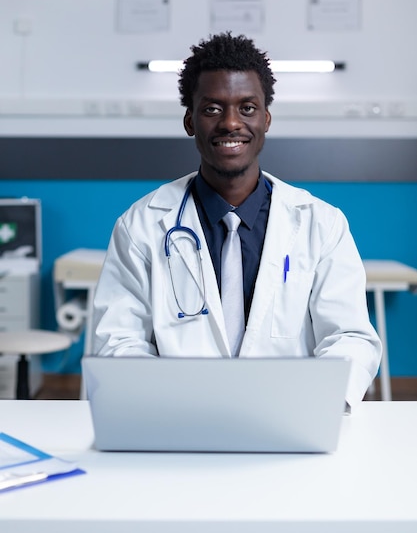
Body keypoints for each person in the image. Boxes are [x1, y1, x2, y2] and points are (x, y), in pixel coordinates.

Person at [93, 32, 382, 408]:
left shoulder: (321, 224)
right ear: (190, 120)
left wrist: (318, 404)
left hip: (289, 419)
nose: (231, 123)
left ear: (266, 118)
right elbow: (119, 341)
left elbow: (350, 336)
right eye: (212, 108)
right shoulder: (142, 226)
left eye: (247, 107)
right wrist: (166, 402)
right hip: (179, 420)